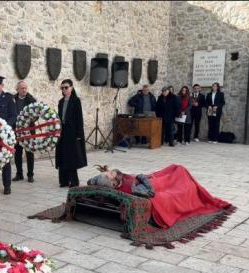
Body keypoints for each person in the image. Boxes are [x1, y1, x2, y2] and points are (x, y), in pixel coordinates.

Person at [87, 164, 232, 229]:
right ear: (113, 183)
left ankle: (180, 174)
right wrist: (141, 177)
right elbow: (150, 192)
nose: (110, 171)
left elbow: (91, 181)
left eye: (108, 172)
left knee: (175, 168)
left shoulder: (118, 180)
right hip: (154, 185)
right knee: (180, 174)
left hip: (149, 178)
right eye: (109, 174)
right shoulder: (128, 188)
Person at [55, 79, 87, 188]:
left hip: (72, 133)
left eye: (66, 87)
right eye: (62, 88)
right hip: (62, 132)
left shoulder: (76, 101)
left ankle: (74, 182)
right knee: (62, 156)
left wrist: (79, 134)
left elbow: (79, 118)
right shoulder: (60, 101)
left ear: (71, 88)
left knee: (71, 157)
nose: (64, 89)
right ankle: (63, 181)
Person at [12, 81, 37, 183]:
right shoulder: (13, 99)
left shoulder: (31, 100)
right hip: (16, 129)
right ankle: (19, 174)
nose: (24, 90)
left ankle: (30, 175)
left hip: (29, 130)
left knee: (29, 153)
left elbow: (36, 115)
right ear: (17, 89)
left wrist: (30, 120)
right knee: (17, 152)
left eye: (25, 88)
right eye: (22, 88)